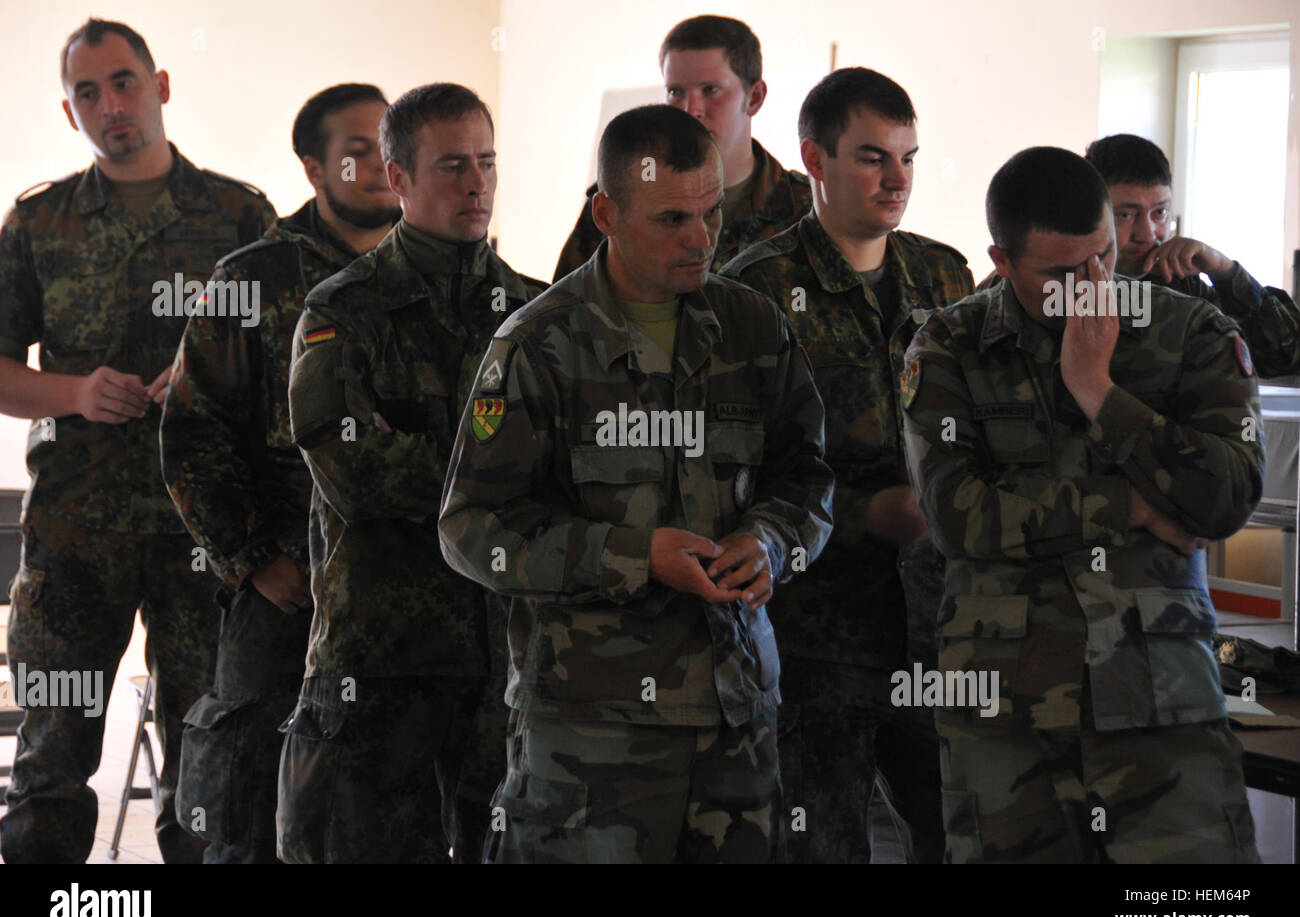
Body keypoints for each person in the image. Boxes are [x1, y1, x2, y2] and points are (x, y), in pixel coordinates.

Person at [439, 104, 834, 864]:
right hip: (594, 735)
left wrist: (773, 540)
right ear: (608, 213)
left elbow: (805, 474)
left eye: (713, 213)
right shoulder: (538, 346)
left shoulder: (751, 327)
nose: (701, 239)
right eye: (673, 219)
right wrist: (629, 555)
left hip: (735, 715)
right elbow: (471, 528)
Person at [900, 146, 1262, 863]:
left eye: (1103, 256)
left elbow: (1224, 497)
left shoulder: (1191, 335)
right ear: (1001, 261)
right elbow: (957, 517)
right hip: (1004, 710)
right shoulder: (948, 347)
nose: (1094, 285)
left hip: (1161, 693)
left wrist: (1099, 390)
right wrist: (1127, 503)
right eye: (1062, 275)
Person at [0, 18, 274, 864]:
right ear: (68, 109)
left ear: (160, 86)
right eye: (88, 92)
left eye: (123, 83)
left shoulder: (238, 213)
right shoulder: (40, 223)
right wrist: (75, 391)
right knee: (50, 755)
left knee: (206, 754)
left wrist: (199, 380)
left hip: (207, 529)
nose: (109, 105)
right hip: (76, 531)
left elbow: (286, 355)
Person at [280, 83, 544, 863]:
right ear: (398, 178)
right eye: (453, 165)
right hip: (380, 664)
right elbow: (355, 473)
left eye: (488, 163)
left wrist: (445, 463)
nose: (477, 184)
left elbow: (573, 470)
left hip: (506, 663)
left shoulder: (534, 314)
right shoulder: (344, 312)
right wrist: (502, 476)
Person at [723, 67, 972, 864]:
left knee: (961, 836)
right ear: (814, 160)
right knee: (819, 843)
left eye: (908, 158)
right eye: (873, 158)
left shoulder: (944, 275)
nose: (896, 178)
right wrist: (863, 510)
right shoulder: (755, 291)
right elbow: (728, 468)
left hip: (936, 626)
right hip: (817, 631)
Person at [159, 83, 399, 863]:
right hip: (283, 590)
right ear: (314, 168)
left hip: (410, 592)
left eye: (386, 145)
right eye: (355, 150)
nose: (377, 164)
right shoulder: (252, 276)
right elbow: (194, 433)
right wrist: (254, 556)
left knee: (390, 806)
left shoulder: (447, 268)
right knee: (250, 808)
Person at [551, 14, 809, 281]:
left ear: (754, 98)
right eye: (676, 92)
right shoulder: (622, 199)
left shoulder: (804, 208)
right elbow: (565, 308)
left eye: (710, 90)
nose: (690, 110)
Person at [1085, 133, 1300, 378]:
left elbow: (1286, 359)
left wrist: (1225, 271)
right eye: (1125, 215)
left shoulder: (1180, 287)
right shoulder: (1063, 290)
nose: (1147, 234)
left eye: (1160, 213)